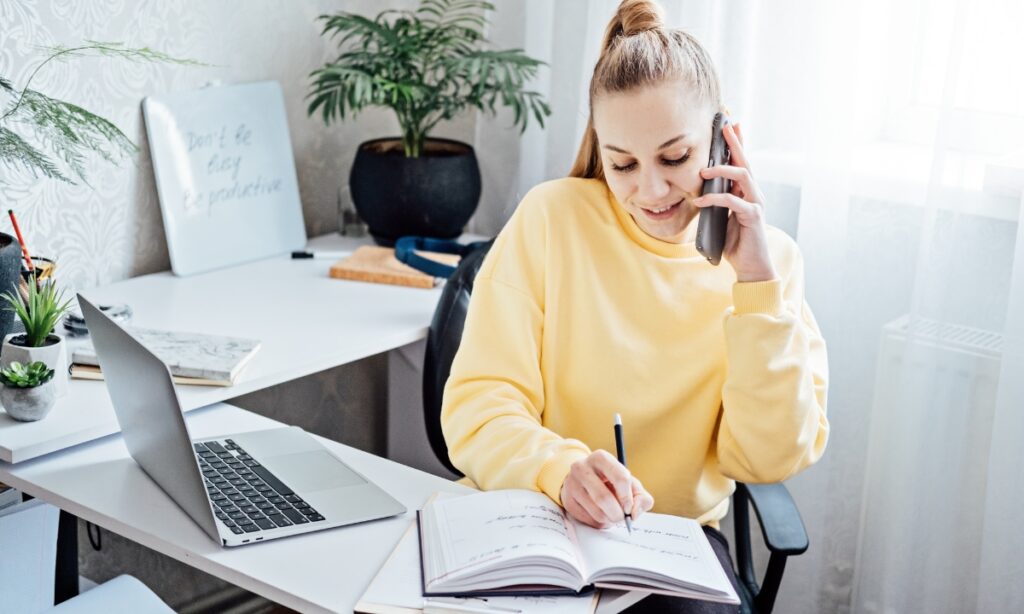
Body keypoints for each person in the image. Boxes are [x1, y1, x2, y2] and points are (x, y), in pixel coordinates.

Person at [441, 1, 829, 611]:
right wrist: (558, 469)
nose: (649, 191)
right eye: (622, 163)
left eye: (675, 158)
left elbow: (766, 457)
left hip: (670, 548)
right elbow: (476, 409)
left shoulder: (771, 264)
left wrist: (755, 285)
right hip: (530, 521)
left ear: (725, 140)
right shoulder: (551, 218)